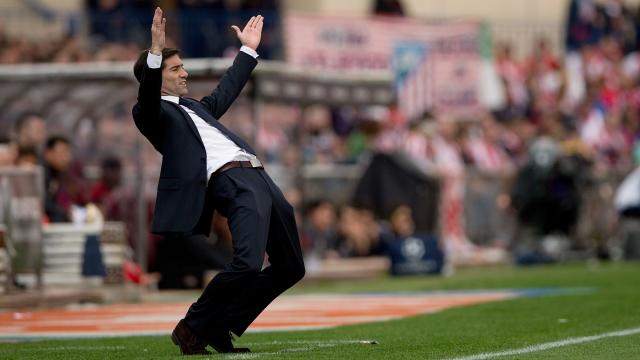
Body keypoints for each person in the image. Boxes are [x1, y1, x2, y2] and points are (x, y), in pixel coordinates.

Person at [132, 8, 305, 355]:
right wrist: (155, 51)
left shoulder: (195, 108)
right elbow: (148, 96)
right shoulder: (151, 112)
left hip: (258, 175)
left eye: (182, 66)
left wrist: (248, 51)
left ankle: (217, 325)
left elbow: (225, 91)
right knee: (246, 262)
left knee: (291, 267)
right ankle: (193, 325)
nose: (185, 72)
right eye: (176, 68)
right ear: (157, 75)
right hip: (231, 179)